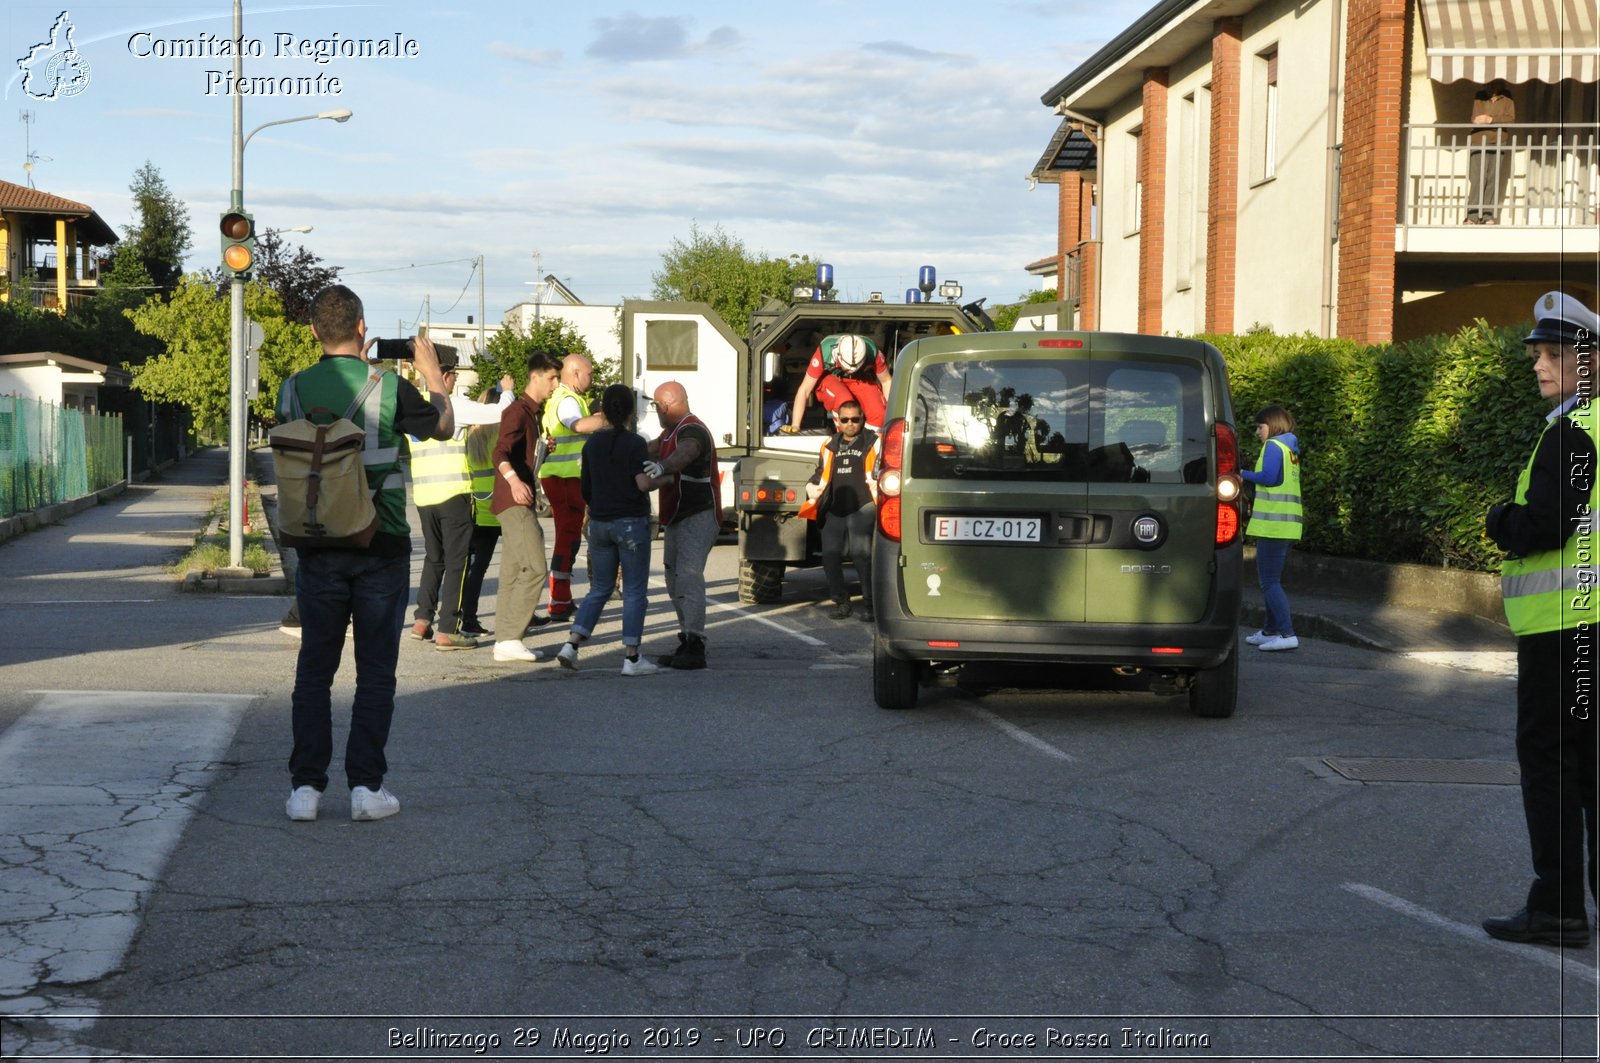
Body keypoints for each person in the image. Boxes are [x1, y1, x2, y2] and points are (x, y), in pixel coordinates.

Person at [278, 284, 453, 823]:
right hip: (381, 541)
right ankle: (365, 789)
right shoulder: (387, 386)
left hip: (317, 541)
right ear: (362, 328)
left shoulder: (292, 388)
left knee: (314, 671)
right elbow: (443, 428)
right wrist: (431, 377)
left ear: (313, 332)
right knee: (375, 672)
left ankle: (305, 790)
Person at [1482, 291, 1600, 948]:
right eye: (1538, 353)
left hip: (1562, 626)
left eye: (1556, 354)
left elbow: (1546, 524)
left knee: (1552, 760)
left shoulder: (1571, 431)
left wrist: (1500, 519)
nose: (1541, 364)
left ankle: (1557, 905)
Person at [551, 384, 660, 676]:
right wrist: (665, 478)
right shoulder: (635, 443)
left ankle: (571, 645)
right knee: (635, 591)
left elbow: (586, 488)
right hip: (630, 523)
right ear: (630, 412)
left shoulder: (591, 445)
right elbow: (643, 484)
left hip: (599, 523)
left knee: (599, 588)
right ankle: (632, 658)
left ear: (603, 411)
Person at [406, 362, 511, 650]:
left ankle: (422, 620)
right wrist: (508, 393)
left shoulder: (412, 406)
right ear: (447, 377)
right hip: (453, 493)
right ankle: (448, 629)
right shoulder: (453, 406)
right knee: (457, 562)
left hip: (424, 495)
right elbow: (498, 413)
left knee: (434, 558)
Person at [639, 380, 720, 669]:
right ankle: (687, 638)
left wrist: (662, 466)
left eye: (656, 407)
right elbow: (648, 449)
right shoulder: (669, 433)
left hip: (698, 515)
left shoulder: (691, 429)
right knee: (674, 582)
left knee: (688, 577)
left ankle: (696, 644)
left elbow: (686, 452)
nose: (655, 411)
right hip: (677, 516)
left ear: (665, 406)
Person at [490, 352, 563, 663]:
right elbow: (499, 452)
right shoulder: (517, 411)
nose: (556, 384)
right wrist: (515, 483)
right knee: (534, 568)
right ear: (535, 377)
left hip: (516, 501)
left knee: (512, 571)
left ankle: (505, 641)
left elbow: (522, 456)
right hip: (515, 502)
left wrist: (542, 450)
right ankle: (509, 638)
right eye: (552, 378)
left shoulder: (531, 413)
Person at [539, 354, 607, 621]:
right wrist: (608, 419)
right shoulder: (568, 400)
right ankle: (558, 601)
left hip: (562, 477)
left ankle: (562, 598)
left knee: (567, 539)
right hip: (565, 478)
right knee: (568, 539)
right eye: (590, 374)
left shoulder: (565, 398)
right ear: (576, 373)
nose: (592, 378)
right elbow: (577, 425)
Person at [799, 398, 879, 621]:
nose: (850, 423)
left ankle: (871, 605)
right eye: (846, 419)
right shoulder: (829, 445)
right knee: (830, 556)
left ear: (862, 419)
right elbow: (820, 473)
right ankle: (841, 603)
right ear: (838, 421)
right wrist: (811, 488)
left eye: (855, 419)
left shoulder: (873, 442)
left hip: (863, 506)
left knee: (861, 556)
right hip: (834, 508)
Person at [1241, 404, 1302, 652]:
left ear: (1273, 425)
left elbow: (1268, 478)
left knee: (1269, 582)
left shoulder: (1273, 446)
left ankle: (1287, 634)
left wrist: (1240, 473)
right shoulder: (1290, 449)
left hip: (1274, 526)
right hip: (1285, 525)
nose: (1258, 432)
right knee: (1270, 580)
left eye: (1260, 427)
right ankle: (1271, 631)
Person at [782, 333, 894, 433]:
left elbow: (887, 381)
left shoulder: (874, 353)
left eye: (855, 367)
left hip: (860, 378)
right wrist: (795, 425)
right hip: (831, 378)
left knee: (879, 414)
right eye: (848, 367)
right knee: (844, 403)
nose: (851, 370)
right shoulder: (824, 352)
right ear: (838, 355)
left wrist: (893, 414)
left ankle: (871, 444)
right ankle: (844, 439)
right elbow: (804, 389)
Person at [459, 421, 502, 639]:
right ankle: (524, 613)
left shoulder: (470, 439)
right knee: (520, 565)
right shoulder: (497, 438)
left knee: (474, 569)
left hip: (477, 510)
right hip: (497, 509)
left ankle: (467, 617)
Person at [1465, 81, 1515, 224]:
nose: (1490, 88)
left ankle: (1488, 215)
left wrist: (1491, 120)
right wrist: (1484, 121)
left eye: (1494, 85)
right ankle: (1472, 215)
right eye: (1488, 85)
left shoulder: (1507, 98)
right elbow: (1475, 118)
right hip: (1479, 139)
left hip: (1498, 140)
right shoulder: (1479, 96)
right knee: (1478, 177)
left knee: (1493, 177)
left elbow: (1510, 119)